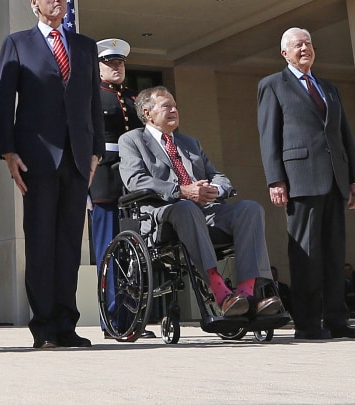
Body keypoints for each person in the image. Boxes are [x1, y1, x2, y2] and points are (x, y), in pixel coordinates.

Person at [0, 0, 104, 349]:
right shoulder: (17, 44)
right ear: (34, 2)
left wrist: (96, 153)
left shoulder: (85, 46)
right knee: (41, 245)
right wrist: (8, 152)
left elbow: (93, 104)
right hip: (36, 161)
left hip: (77, 160)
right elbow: (2, 101)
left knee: (69, 246)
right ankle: (44, 327)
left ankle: (66, 325)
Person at [119, 86, 282, 318]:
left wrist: (214, 189)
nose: (174, 110)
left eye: (175, 106)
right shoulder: (132, 140)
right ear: (147, 113)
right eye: (167, 106)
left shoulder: (190, 143)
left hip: (207, 211)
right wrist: (182, 191)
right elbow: (135, 180)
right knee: (186, 207)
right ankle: (219, 292)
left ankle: (248, 292)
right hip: (165, 214)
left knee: (250, 208)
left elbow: (218, 176)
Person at [258, 27, 355, 339]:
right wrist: (276, 179)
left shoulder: (328, 87)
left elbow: (345, 136)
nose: (304, 48)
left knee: (334, 253)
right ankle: (307, 323)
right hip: (300, 179)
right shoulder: (273, 85)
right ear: (284, 53)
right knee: (306, 255)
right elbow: (269, 136)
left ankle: (337, 320)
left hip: (335, 179)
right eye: (297, 45)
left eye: (307, 43)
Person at [88, 38, 155, 339]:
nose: (116, 67)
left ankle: (132, 318)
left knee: (135, 253)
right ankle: (112, 317)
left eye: (120, 63)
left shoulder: (134, 98)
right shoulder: (90, 95)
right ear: (98, 67)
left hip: (134, 178)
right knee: (108, 251)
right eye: (110, 63)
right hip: (104, 177)